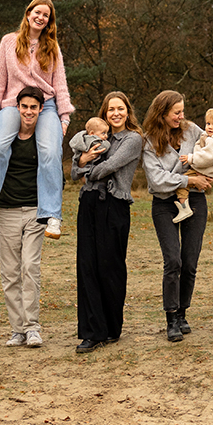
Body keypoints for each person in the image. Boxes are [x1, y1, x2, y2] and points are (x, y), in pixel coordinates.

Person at [0, 0, 74, 239]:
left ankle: (51, 214)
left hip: (46, 105)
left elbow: (59, 85)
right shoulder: (8, 42)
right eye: (37, 12)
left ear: (49, 22)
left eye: (46, 16)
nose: (41, 18)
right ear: (28, 13)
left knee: (50, 150)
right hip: (12, 103)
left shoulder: (52, 47)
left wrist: (64, 117)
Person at [0, 86, 50, 349]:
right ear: (17, 108)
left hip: (34, 211)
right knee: (10, 272)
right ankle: (17, 329)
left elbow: (53, 175)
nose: (28, 111)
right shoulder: (4, 138)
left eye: (34, 107)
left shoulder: (44, 140)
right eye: (24, 106)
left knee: (30, 268)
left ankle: (33, 328)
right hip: (6, 210)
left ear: (41, 110)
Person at [70, 91, 143, 353]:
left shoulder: (132, 139)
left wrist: (85, 165)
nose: (115, 113)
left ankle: (112, 327)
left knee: (110, 266)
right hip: (88, 203)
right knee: (87, 265)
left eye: (120, 109)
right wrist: (82, 162)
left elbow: (107, 167)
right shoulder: (94, 135)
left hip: (115, 205)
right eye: (111, 109)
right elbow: (72, 171)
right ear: (105, 112)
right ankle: (92, 331)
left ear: (127, 111)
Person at [142, 90, 213, 343]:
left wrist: (211, 169)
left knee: (190, 261)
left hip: (195, 200)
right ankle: (171, 316)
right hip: (164, 204)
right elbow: (157, 180)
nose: (181, 116)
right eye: (176, 112)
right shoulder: (149, 140)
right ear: (162, 113)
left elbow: (212, 150)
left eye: (182, 111)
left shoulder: (192, 130)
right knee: (173, 260)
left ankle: (183, 312)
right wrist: (189, 178)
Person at [172, 107, 213, 223]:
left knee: (182, 182)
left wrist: (191, 158)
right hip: (205, 170)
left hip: (203, 170)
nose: (210, 127)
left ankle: (184, 207)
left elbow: (206, 157)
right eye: (208, 123)